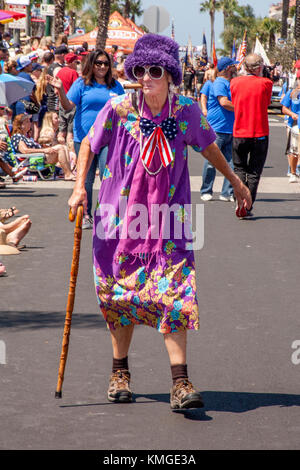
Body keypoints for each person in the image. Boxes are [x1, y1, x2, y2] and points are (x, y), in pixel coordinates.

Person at [67, 33, 251, 410]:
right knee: (119, 297)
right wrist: (78, 188)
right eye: (141, 70)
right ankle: (120, 373)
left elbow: (208, 145)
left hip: (170, 223)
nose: (146, 77)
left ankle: (181, 384)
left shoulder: (186, 112)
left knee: (177, 297)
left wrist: (234, 180)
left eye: (155, 71)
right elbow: (89, 143)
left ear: (169, 76)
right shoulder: (119, 108)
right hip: (118, 221)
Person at [48, 49, 124, 229]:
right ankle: (87, 214)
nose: (103, 67)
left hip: (109, 139)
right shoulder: (81, 84)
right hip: (84, 139)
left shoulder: (115, 86)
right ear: (92, 64)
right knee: (86, 179)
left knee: (109, 177)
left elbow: (124, 110)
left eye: (106, 63)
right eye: (98, 63)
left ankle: (107, 213)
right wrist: (60, 91)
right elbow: (67, 107)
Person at [230, 53, 273, 216]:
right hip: (259, 133)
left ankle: (239, 202)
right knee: (254, 172)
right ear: (259, 67)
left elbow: (235, 101)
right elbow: (267, 102)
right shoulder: (266, 83)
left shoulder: (234, 82)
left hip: (240, 132)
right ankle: (247, 205)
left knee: (239, 168)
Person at [200, 57, 237, 202]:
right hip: (217, 129)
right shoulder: (219, 83)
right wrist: (244, 108)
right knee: (211, 162)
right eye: (234, 65)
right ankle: (206, 191)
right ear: (228, 68)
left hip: (231, 129)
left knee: (232, 163)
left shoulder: (231, 83)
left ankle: (226, 193)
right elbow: (224, 102)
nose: (236, 67)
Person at [10, 113, 75, 180]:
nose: (30, 123)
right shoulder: (17, 136)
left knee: (63, 147)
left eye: (29, 121)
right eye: (27, 122)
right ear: (20, 125)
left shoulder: (27, 137)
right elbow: (25, 150)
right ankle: (68, 174)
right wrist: (43, 150)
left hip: (38, 157)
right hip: (32, 161)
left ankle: (69, 173)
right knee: (60, 148)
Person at [55, 52, 80, 147]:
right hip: (71, 103)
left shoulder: (59, 72)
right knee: (70, 130)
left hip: (61, 102)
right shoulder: (73, 73)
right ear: (71, 62)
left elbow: (55, 90)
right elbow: (77, 89)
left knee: (62, 129)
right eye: (76, 62)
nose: (77, 65)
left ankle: (60, 149)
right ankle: (70, 153)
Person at [281, 79, 300, 182]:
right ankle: (292, 171)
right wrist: (292, 114)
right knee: (293, 150)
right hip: (294, 124)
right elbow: (284, 108)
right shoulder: (292, 93)